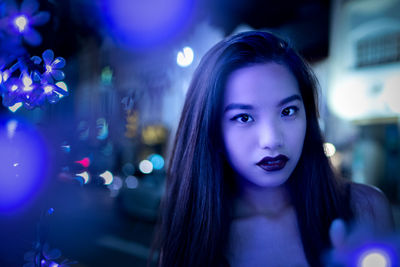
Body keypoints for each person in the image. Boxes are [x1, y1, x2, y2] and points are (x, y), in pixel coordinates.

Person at [151, 31, 394, 267]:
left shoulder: (366, 209)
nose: (272, 139)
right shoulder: (193, 242)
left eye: (288, 111)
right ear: (212, 130)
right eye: (244, 117)